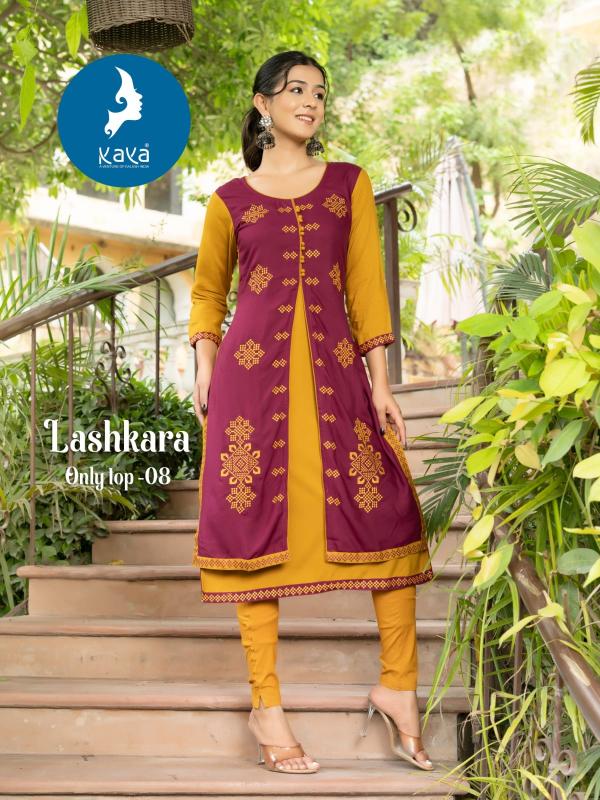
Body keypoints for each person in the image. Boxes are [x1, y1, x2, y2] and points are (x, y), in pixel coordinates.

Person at [189, 50, 435, 775]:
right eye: (296, 90)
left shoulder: (348, 184)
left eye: (320, 93)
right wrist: (203, 367)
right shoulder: (229, 201)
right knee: (251, 535)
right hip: (248, 386)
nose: (311, 102)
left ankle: (398, 687)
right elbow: (208, 292)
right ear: (262, 104)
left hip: (336, 377)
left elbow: (366, 286)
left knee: (389, 519)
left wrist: (381, 385)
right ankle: (266, 706)